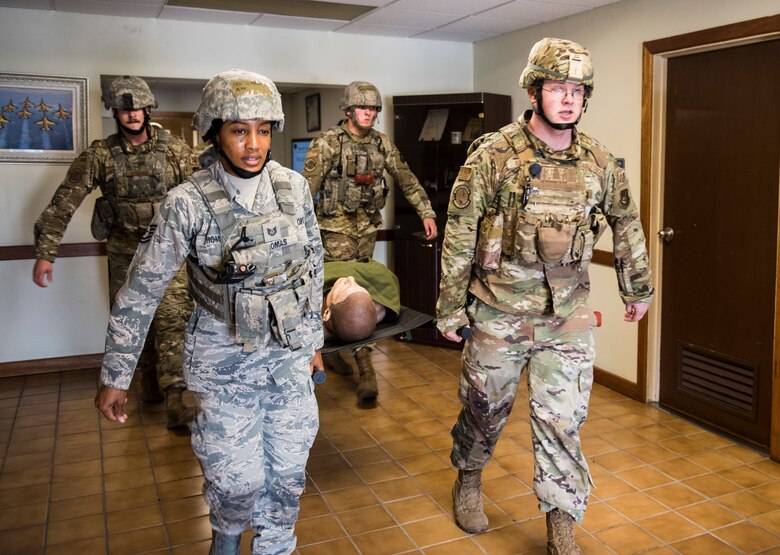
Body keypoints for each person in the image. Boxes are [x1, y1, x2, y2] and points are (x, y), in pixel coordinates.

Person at [435, 38, 654, 554]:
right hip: (498, 310)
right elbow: (461, 231)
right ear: (535, 91)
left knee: (562, 419)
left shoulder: (599, 161)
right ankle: (468, 475)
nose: (569, 98)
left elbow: (626, 223)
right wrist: (449, 306)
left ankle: (561, 522)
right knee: (484, 409)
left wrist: (637, 287)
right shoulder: (493, 156)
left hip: (568, 315)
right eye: (558, 87)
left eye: (578, 90)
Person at [94, 69, 323, 555]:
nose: (254, 144)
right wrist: (116, 375)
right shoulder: (187, 203)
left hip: (286, 359)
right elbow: (140, 291)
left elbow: (313, 266)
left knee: (286, 477)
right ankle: (225, 535)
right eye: (240, 130)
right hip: (224, 362)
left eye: (263, 130)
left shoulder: (294, 189)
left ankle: (275, 546)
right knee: (236, 483)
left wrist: (314, 344)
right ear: (215, 131)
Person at [33, 75, 197, 429]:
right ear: (115, 112)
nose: (132, 114)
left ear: (148, 108)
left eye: (138, 107)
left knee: (172, 321)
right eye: (125, 109)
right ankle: (149, 385)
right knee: (134, 326)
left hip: (169, 254)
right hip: (125, 256)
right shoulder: (100, 155)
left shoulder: (176, 152)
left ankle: (176, 399)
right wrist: (47, 252)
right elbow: (64, 202)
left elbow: (201, 201)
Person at [302, 80, 438, 261]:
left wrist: (426, 213)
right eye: (362, 107)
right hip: (335, 231)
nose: (368, 112)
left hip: (368, 230)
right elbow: (306, 190)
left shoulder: (382, 143)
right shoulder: (328, 143)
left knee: (364, 280)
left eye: (373, 108)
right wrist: (300, 229)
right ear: (348, 110)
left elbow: (407, 180)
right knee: (342, 284)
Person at [321, 257, 400, 402]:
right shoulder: (379, 310)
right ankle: (366, 371)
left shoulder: (310, 319)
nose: (350, 279)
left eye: (345, 288)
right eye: (357, 285)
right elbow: (386, 279)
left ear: (327, 313)